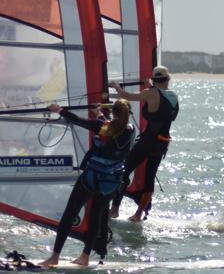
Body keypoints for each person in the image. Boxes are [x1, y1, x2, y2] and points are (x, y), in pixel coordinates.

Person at [38, 100, 135, 267]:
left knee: (70, 214)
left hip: (91, 179)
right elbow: (111, 126)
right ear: (128, 114)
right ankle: (85, 256)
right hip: (112, 183)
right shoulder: (130, 131)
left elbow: (77, 120)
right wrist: (100, 114)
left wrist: (58, 109)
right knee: (96, 216)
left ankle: (54, 257)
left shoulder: (102, 127)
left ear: (114, 113)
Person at [109, 65, 179, 221]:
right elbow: (161, 102)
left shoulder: (149, 93)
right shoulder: (173, 96)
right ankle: (138, 215)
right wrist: (150, 84)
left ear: (154, 80)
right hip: (162, 143)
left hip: (147, 141)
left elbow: (125, 96)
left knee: (124, 171)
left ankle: (114, 209)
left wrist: (116, 86)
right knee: (149, 178)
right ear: (168, 79)